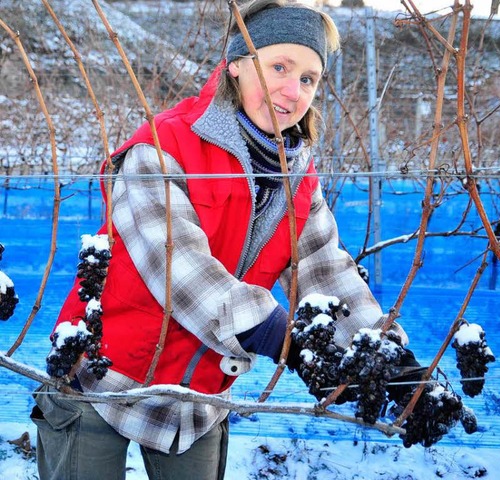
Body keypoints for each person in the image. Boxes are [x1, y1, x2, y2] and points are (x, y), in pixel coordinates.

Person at [31, 1, 415, 479]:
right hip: (101, 378)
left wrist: (389, 358)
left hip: (197, 399)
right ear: (236, 64)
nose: (292, 91)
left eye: (309, 79)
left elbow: (325, 268)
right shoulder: (160, 147)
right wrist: (285, 339)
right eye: (279, 66)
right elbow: (179, 269)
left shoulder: (298, 176)